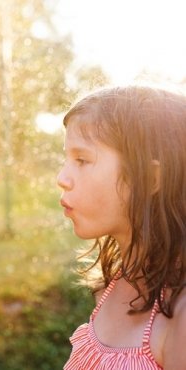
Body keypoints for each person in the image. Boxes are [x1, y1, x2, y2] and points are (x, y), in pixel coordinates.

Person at [57, 86, 186, 369]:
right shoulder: (113, 285)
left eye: (82, 160)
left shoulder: (181, 315)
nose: (62, 177)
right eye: (65, 159)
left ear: (151, 180)